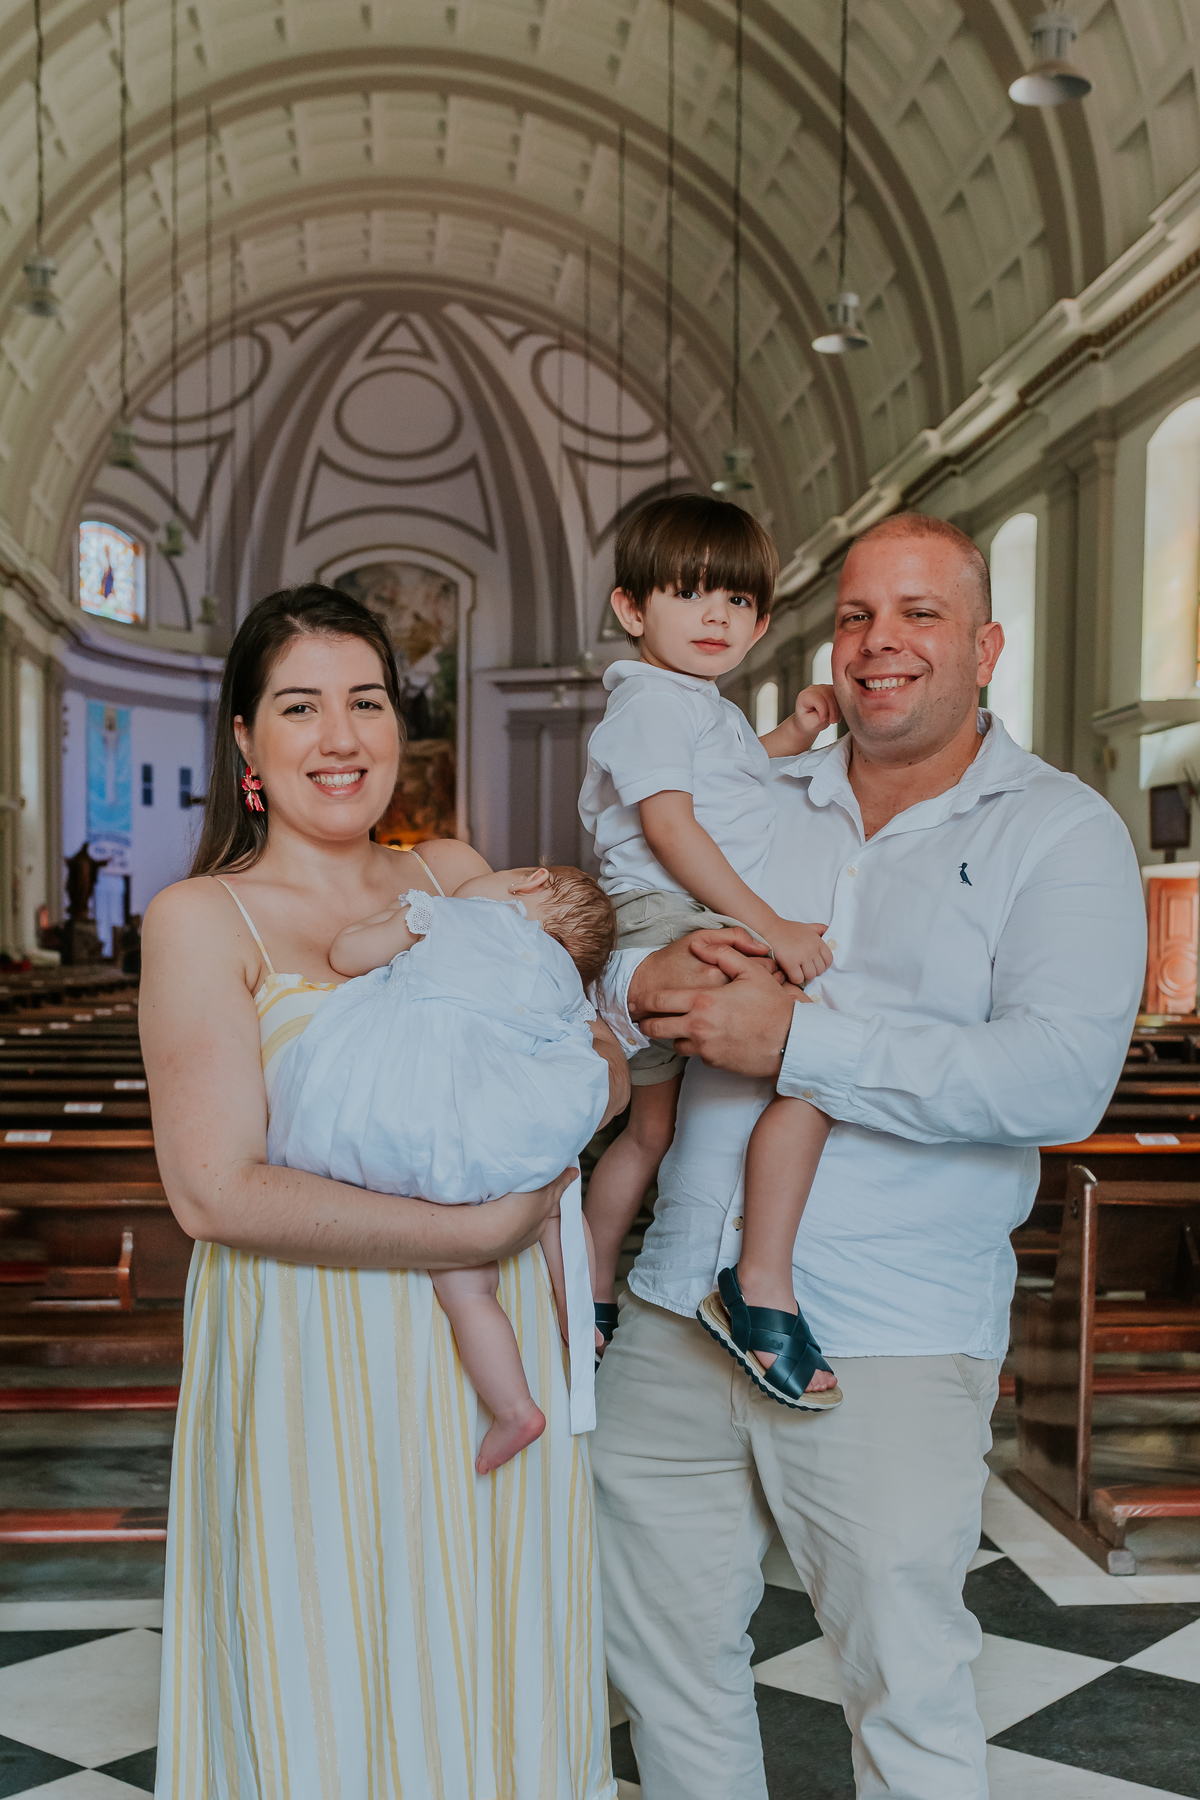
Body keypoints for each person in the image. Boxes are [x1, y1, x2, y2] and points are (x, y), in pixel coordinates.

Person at [590, 513, 1146, 1800]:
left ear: (987, 646)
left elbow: (1057, 1079)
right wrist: (637, 982)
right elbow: (614, 946)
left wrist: (804, 1043)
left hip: (888, 1327)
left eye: (919, 614)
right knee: (661, 1667)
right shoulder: (749, 785)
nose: (878, 643)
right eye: (853, 617)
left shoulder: (1059, 831)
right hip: (678, 1304)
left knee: (904, 1682)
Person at [141, 584, 626, 1800]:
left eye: (366, 701)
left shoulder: (454, 870)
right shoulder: (203, 918)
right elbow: (213, 1193)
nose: (340, 735)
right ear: (246, 741)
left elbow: (590, 1053)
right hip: (309, 1349)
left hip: (488, 1357)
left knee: (488, 1649)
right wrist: (475, 1224)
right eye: (299, 706)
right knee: (326, 1664)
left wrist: (582, 1088)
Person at [580, 495, 841, 1403]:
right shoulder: (652, 702)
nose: (716, 617)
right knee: (814, 1052)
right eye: (691, 595)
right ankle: (757, 1285)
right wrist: (771, 926)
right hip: (668, 912)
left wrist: (796, 736)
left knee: (650, 1130)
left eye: (736, 604)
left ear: (760, 623)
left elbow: (730, 780)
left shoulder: (699, 709)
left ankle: (586, 1288)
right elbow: (676, 828)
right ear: (631, 610)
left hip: (663, 913)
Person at [266, 863, 616, 1471]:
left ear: (528, 881)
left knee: (457, 1268)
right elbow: (584, 1050)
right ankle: (574, 1321)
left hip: (410, 1116)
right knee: (557, 1198)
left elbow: (349, 953)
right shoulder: (560, 979)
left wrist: (400, 922)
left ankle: (516, 1406)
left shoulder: (450, 914)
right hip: (501, 1120)